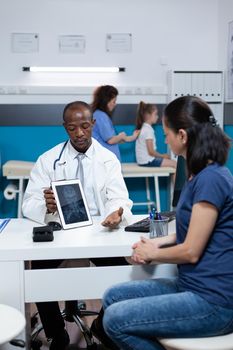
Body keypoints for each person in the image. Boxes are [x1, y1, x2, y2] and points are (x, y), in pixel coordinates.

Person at [100, 96, 233, 350]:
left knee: (115, 320)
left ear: (182, 135)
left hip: (214, 302)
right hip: (192, 286)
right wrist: (156, 243)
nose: (164, 140)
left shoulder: (211, 178)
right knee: (112, 296)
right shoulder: (199, 175)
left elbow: (192, 251)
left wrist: (154, 254)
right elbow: (193, 231)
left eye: (166, 133)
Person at [22, 101, 133, 350]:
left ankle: (101, 326)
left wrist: (117, 212)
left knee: (124, 277)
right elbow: (28, 203)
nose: (80, 133)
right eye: (72, 128)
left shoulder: (107, 160)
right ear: (65, 128)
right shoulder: (48, 160)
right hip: (62, 234)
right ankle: (56, 334)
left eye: (85, 126)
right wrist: (46, 207)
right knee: (38, 273)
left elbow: (119, 198)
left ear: (93, 124)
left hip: (99, 234)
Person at [91, 85, 140, 161]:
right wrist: (121, 136)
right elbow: (111, 140)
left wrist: (132, 137)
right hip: (105, 161)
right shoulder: (101, 116)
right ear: (106, 101)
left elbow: (115, 139)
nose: (115, 104)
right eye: (114, 101)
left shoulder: (99, 115)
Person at [135, 101, 176, 168]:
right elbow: (151, 152)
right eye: (155, 114)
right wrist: (163, 156)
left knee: (172, 163)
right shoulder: (148, 130)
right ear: (148, 115)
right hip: (147, 161)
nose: (157, 117)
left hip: (142, 161)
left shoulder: (143, 127)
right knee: (175, 164)